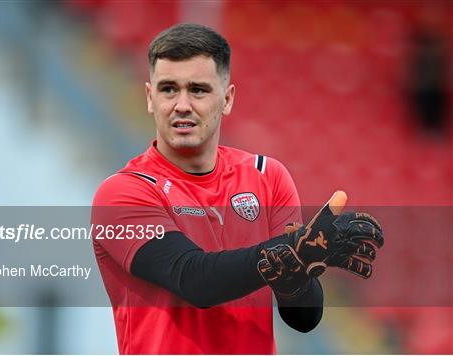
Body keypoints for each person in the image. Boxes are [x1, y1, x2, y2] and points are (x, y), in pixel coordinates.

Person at [92, 23, 384, 354]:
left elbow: (304, 317)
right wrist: (289, 248)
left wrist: (296, 274)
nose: (182, 104)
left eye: (198, 90)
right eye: (168, 89)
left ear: (227, 99)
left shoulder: (267, 176)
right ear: (150, 97)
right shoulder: (121, 193)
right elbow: (194, 280)